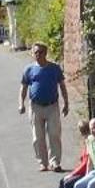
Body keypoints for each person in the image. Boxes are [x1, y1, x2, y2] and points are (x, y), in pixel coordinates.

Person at [19, 41, 69, 172]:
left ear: (46, 53)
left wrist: (66, 103)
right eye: (35, 52)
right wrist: (21, 104)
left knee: (54, 134)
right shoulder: (29, 69)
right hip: (36, 106)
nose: (38, 54)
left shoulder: (54, 68)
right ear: (32, 54)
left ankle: (55, 162)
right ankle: (42, 162)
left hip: (52, 106)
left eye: (41, 52)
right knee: (38, 137)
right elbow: (23, 87)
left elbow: (62, 86)